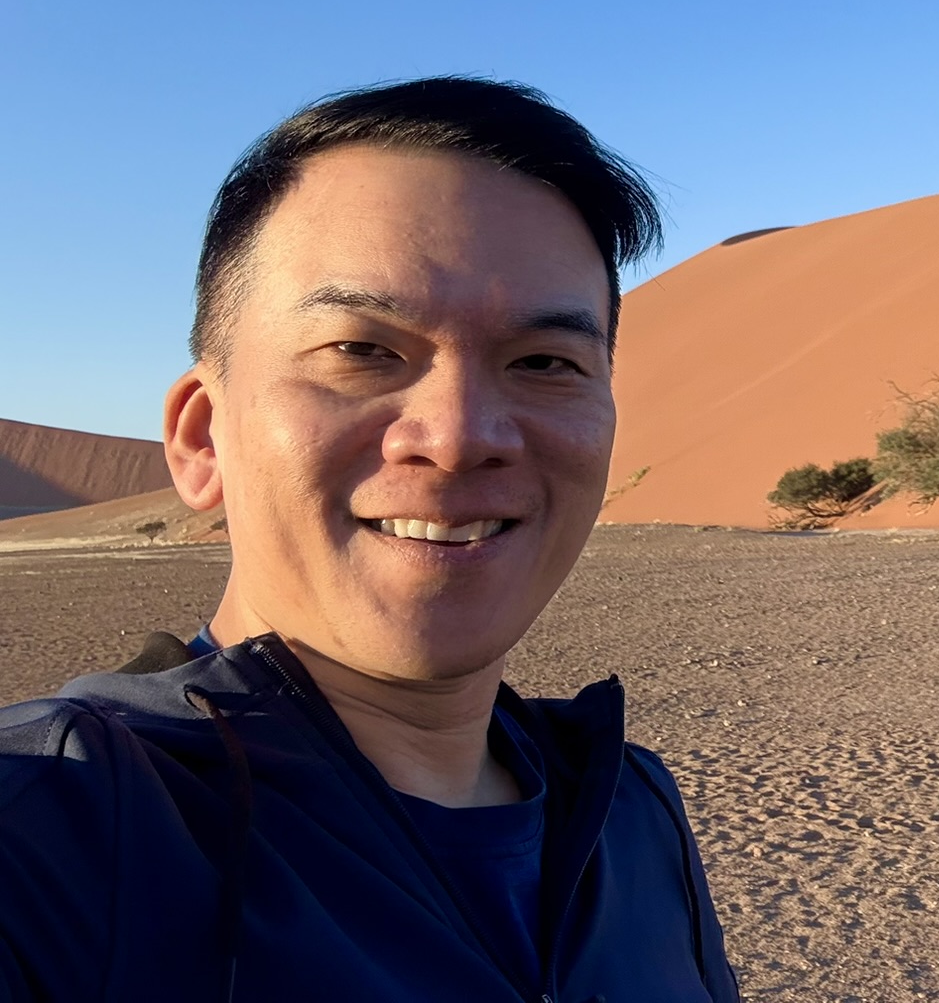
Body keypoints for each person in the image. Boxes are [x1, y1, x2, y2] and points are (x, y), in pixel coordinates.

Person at [0, 79, 740, 1003]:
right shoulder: (47, 831)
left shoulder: (633, 814)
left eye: (544, 362)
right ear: (201, 438)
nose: (463, 432)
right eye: (362, 351)